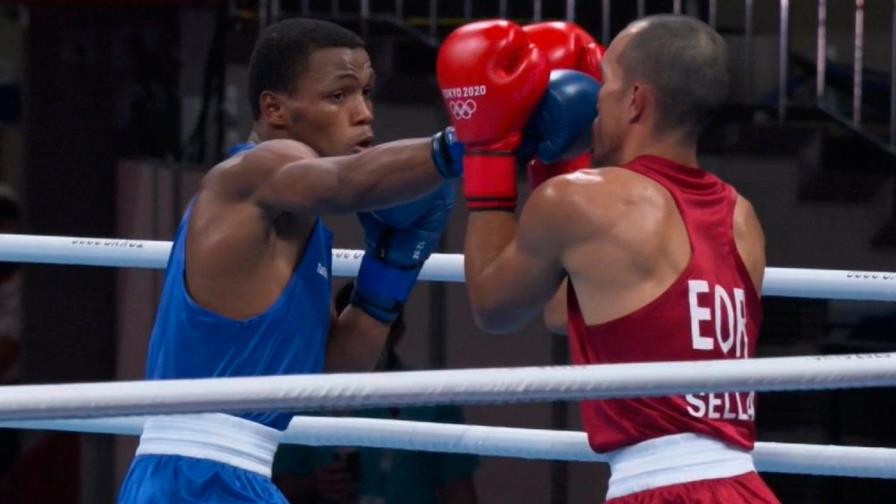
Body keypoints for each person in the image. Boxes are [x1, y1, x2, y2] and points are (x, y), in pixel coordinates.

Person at [117, 18, 462, 503]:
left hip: (241, 473)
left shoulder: (306, 228)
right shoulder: (249, 173)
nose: (363, 113)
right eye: (339, 95)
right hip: (193, 475)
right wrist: (470, 141)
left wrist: (388, 275)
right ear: (274, 108)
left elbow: (329, 374)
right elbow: (348, 184)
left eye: (366, 92)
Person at [438, 15, 779, 503]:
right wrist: (552, 173)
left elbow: (493, 308)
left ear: (635, 100)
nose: (592, 96)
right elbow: (567, 314)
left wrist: (489, 155)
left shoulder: (582, 200)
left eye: (605, 84)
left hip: (662, 491)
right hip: (744, 486)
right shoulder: (743, 216)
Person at [272, 282, 479, 504]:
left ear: (397, 333)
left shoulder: (430, 399)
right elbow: (275, 486)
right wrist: (314, 485)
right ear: (332, 332)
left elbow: (459, 492)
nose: (364, 343)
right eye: (351, 332)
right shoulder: (307, 401)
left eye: (378, 329)